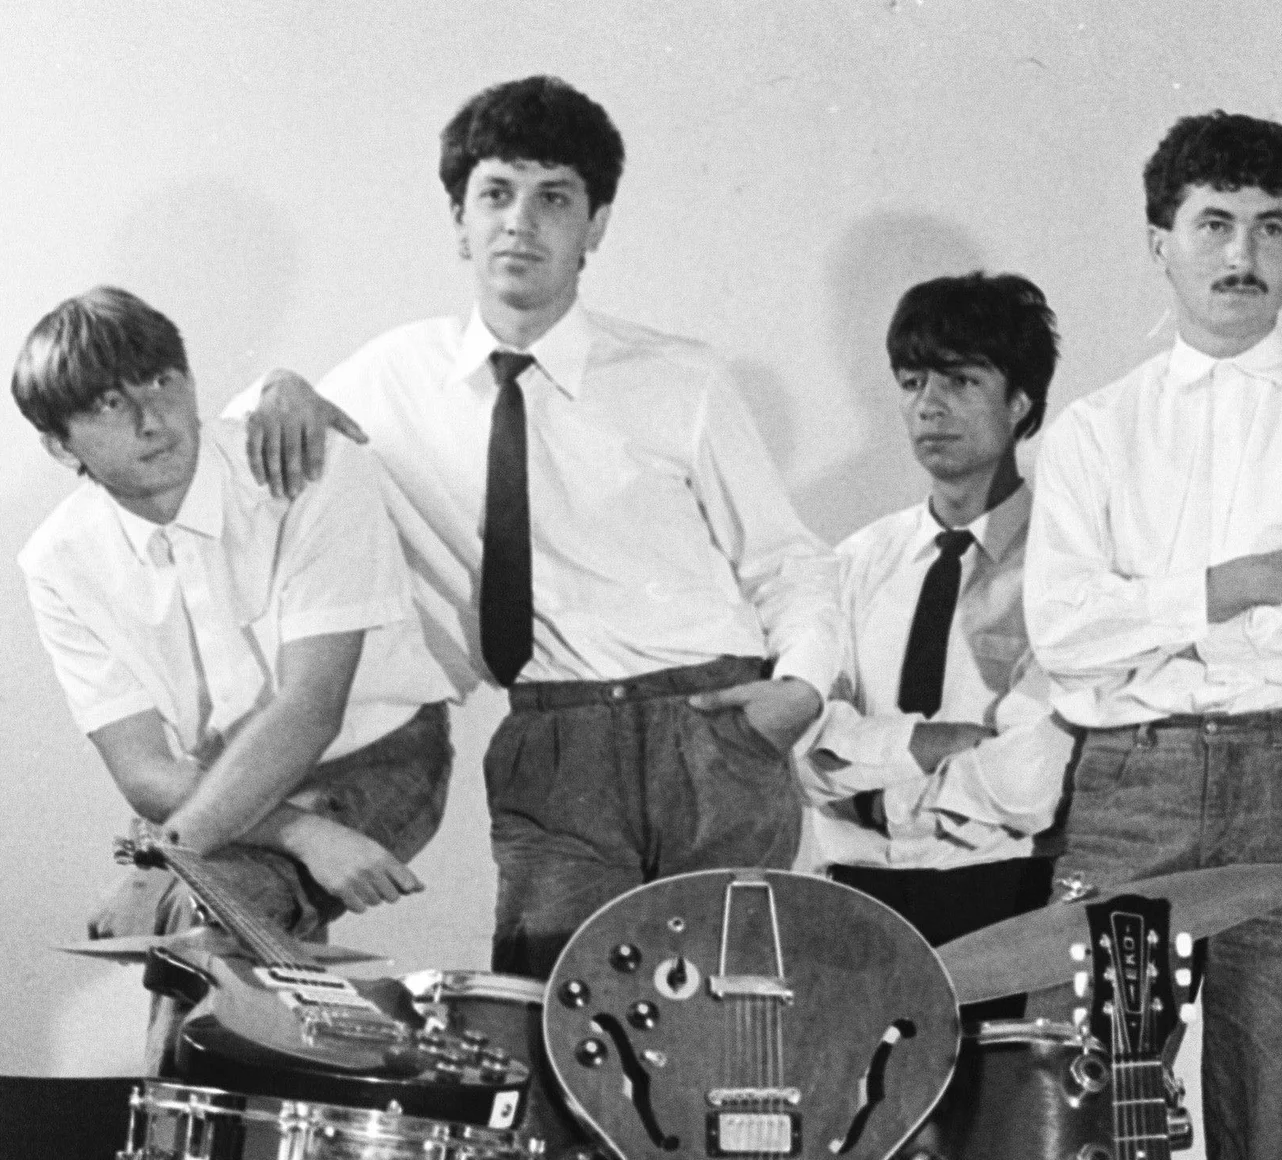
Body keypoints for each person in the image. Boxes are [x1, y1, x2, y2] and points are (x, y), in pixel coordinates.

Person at [241, 74, 840, 979]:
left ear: (595, 226)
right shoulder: (393, 377)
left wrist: (800, 690)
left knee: (726, 1019)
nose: (520, 222)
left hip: (710, 727)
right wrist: (277, 385)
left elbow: (788, 562)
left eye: (554, 198)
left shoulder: (682, 379)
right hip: (555, 744)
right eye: (496, 194)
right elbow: (251, 444)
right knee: (557, 1010)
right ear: (460, 221)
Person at [0, 285, 451, 1160]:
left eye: (162, 380)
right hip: (224, 799)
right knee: (207, 944)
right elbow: (144, 767)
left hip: (378, 752)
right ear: (61, 445)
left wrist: (171, 865)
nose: (151, 418)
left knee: (194, 925)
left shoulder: (306, 461)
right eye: (107, 406)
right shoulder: (58, 558)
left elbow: (311, 706)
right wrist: (293, 834)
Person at [1023, 112, 1282, 1160]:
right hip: (1131, 789)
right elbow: (1063, 635)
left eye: (1269, 227)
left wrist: (1146, 630)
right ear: (1161, 241)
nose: (1241, 254)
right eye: (1213, 224)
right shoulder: (1094, 432)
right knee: (1082, 1131)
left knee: (1273, 1157)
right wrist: (1234, 588)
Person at [795, 272, 1072, 954]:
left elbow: (1031, 780)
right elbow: (803, 741)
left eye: (960, 381)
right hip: (853, 895)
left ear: (1020, 402)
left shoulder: (1067, 564)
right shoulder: (855, 561)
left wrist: (872, 794)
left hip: (1007, 896)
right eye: (913, 381)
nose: (929, 405)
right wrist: (934, 743)